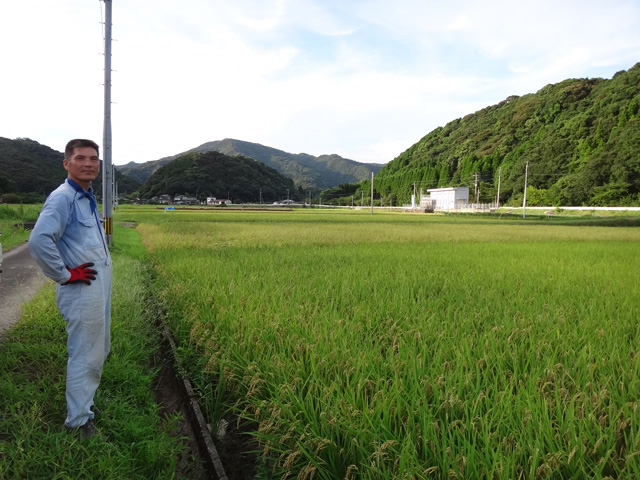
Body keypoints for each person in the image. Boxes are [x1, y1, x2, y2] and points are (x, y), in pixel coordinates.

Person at [29, 139, 112, 439]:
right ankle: (78, 422)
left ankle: (84, 404)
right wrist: (64, 275)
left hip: (96, 286)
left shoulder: (86, 198)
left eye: (93, 158)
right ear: (67, 163)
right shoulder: (63, 197)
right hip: (81, 289)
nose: (89, 163)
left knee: (99, 348)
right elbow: (39, 241)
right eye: (80, 158)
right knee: (86, 353)